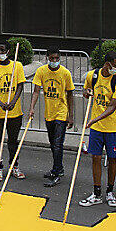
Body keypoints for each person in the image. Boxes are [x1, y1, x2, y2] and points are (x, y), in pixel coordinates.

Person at [79, 50, 116, 208]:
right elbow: (86, 91)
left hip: (114, 127)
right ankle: (97, 192)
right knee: (96, 158)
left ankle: (110, 191)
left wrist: (94, 120)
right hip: (97, 128)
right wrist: (86, 92)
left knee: (113, 159)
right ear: (107, 64)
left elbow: (113, 106)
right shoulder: (92, 76)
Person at [28, 49, 75, 186]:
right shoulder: (41, 71)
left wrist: (70, 116)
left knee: (58, 144)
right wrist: (32, 108)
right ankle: (58, 168)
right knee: (52, 144)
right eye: (52, 58)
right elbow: (36, 91)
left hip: (61, 112)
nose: (54, 61)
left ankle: (56, 172)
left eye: (57, 58)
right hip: (49, 113)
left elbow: (70, 95)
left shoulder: (65, 73)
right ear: (47, 58)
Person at [0, 42, 27, 181]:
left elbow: (20, 85)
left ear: (8, 51)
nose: (0, 53)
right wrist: (1, 103)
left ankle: (14, 166)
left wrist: (13, 102)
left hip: (15, 112)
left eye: (2, 50)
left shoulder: (17, 66)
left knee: (13, 141)